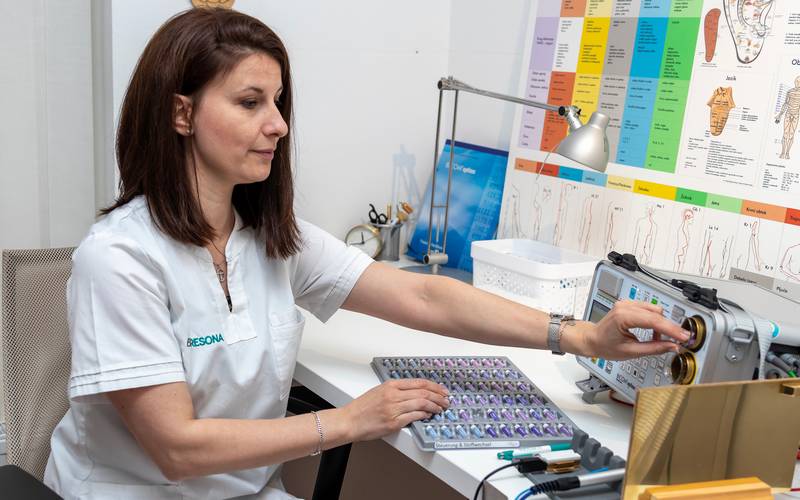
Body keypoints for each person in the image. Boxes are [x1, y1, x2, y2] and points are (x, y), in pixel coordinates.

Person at [43, 8, 689, 499]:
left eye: (278, 102)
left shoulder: (268, 235)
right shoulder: (120, 259)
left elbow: (420, 293)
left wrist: (580, 337)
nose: (278, 124)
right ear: (181, 114)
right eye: (250, 102)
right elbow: (177, 450)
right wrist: (349, 421)